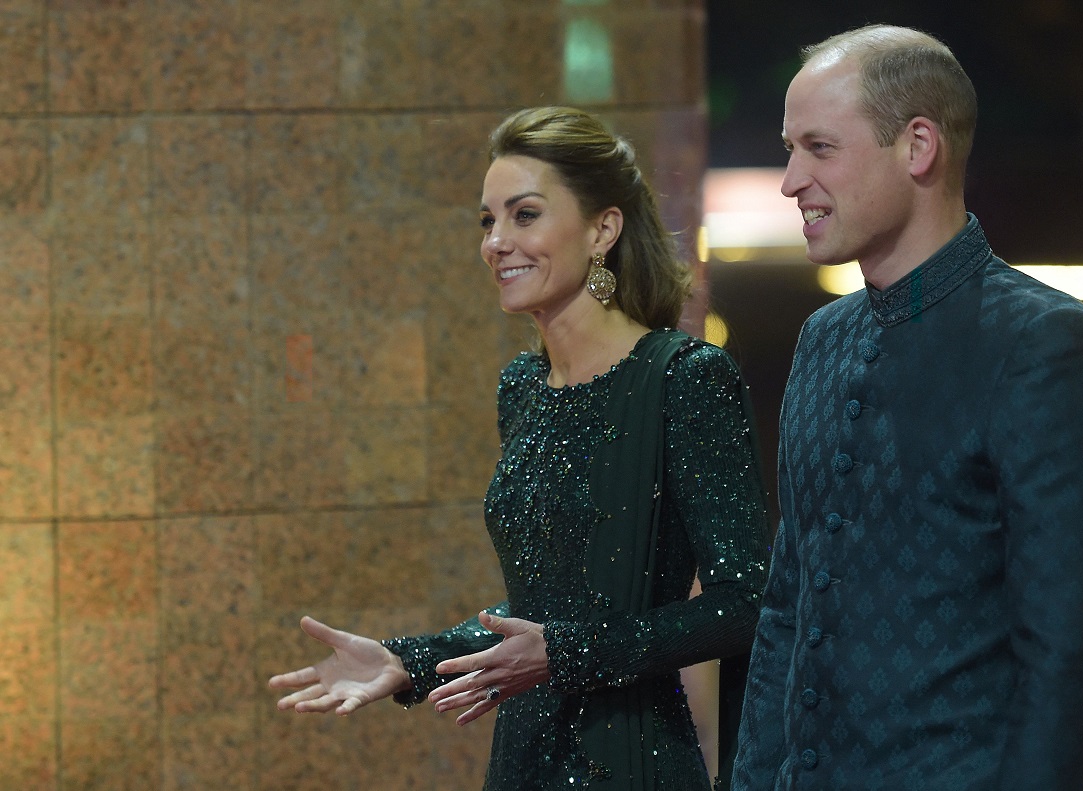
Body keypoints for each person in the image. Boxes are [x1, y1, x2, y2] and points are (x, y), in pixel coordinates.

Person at [269, 106, 770, 790]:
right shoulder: (523, 385)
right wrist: (407, 660)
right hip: (522, 759)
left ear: (603, 228)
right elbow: (540, 611)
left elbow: (744, 604)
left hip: (633, 762)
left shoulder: (685, 379)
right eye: (487, 220)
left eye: (524, 214)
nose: (496, 241)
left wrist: (563, 652)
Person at [732, 24, 1083, 791]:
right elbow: (786, 608)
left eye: (819, 148)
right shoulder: (821, 338)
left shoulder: (1045, 343)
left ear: (918, 147)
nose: (790, 180)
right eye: (791, 148)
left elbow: (1065, 655)